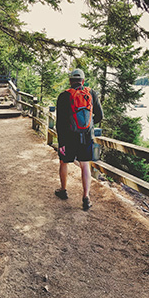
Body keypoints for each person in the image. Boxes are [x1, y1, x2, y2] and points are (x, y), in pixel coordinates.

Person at [55, 68, 103, 210]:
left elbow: (60, 122)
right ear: (83, 81)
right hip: (86, 137)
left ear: (70, 81)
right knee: (85, 165)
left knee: (64, 162)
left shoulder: (64, 96)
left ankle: (63, 190)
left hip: (68, 137)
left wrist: (61, 142)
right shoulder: (91, 93)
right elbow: (100, 116)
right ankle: (86, 197)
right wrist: (88, 125)